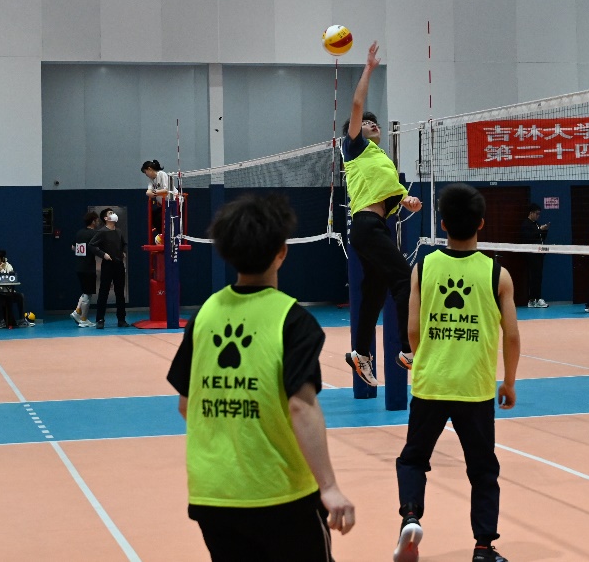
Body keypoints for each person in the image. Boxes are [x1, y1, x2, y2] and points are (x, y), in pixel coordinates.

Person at [165, 194, 355, 561]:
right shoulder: (293, 321)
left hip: (213, 495)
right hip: (280, 494)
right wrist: (329, 486)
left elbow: (186, 406)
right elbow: (301, 408)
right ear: (282, 252)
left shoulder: (204, 316)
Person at [394, 184, 519, 562]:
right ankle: (483, 547)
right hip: (475, 388)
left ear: (443, 223)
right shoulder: (498, 274)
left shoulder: (423, 267)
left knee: (413, 459)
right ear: (481, 223)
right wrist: (509, 383)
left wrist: (425, 360)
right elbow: (512, 336)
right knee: (482, 470)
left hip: (431, 383)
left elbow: (413, 329)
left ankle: (411, 515)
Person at [342, 41, 423, 386]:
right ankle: (408, 349)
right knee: (404, 279)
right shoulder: (355, 149)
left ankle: (360, 353)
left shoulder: (382, 160)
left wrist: (408, 201)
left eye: (374, 123)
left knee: (375, 293)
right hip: (366, 225)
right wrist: (369, 69)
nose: (371, 124)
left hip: (377, 226)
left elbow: (395, 193)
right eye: (366, 123)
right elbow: (357, 104)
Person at [89, 212, 129, 328]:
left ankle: (121, 319)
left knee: (120, 292)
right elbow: (91, 245)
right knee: (104, 292)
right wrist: (103, 254)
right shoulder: (102, 232)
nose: (114, 214)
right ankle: (100, 319)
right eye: (110, 213)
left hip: (119, 264)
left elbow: (124, 244)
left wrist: (123, 252)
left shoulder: (119, 231)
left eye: (113, 212)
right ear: (106, 218)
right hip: (107, 265)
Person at [0, 251, 28, 328]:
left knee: (20, 296)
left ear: (2, 259)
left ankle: (22, 320)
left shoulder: (8, 266)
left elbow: (11, 279)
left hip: (8, 292)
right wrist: (0, 277)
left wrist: (2, 270)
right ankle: (0, 322)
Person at [70, 211, 99, 327]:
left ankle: (77, 311)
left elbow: (73, 247)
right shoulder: (94, 234)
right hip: (88, 267)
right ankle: (83, 319)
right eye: (97, 220)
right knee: (88, 294)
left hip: (79, 267)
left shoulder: (79, 233)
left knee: (85, 292)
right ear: (93, 221)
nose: (98, 222)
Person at [519, 204, 549, 308]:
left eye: (539, 214)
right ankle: (533, 299)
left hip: (539, 254)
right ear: (531, 213)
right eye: (537, 214)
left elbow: (541, 237)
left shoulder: (536, 224)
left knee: (538, 277)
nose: (538, 216)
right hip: (531, 255)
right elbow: (528, 237)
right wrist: (540, 230)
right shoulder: (526, 225)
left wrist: (544, 230)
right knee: (534, 277)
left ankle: (536, 298)